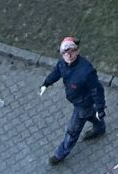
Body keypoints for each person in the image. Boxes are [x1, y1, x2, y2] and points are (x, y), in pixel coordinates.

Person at [41, 34, 106, 164]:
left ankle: (60, 154)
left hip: (83, 104)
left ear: (77, 51)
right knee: (92, 116)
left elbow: (96, 90)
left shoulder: (86, 71)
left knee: (73, 130)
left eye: (72, 52)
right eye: (65, 53)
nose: (68, 56)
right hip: (78, 100)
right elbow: (57, 72)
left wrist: (100, 107)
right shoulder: (63, 63)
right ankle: (100, 128)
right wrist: (46, 83)